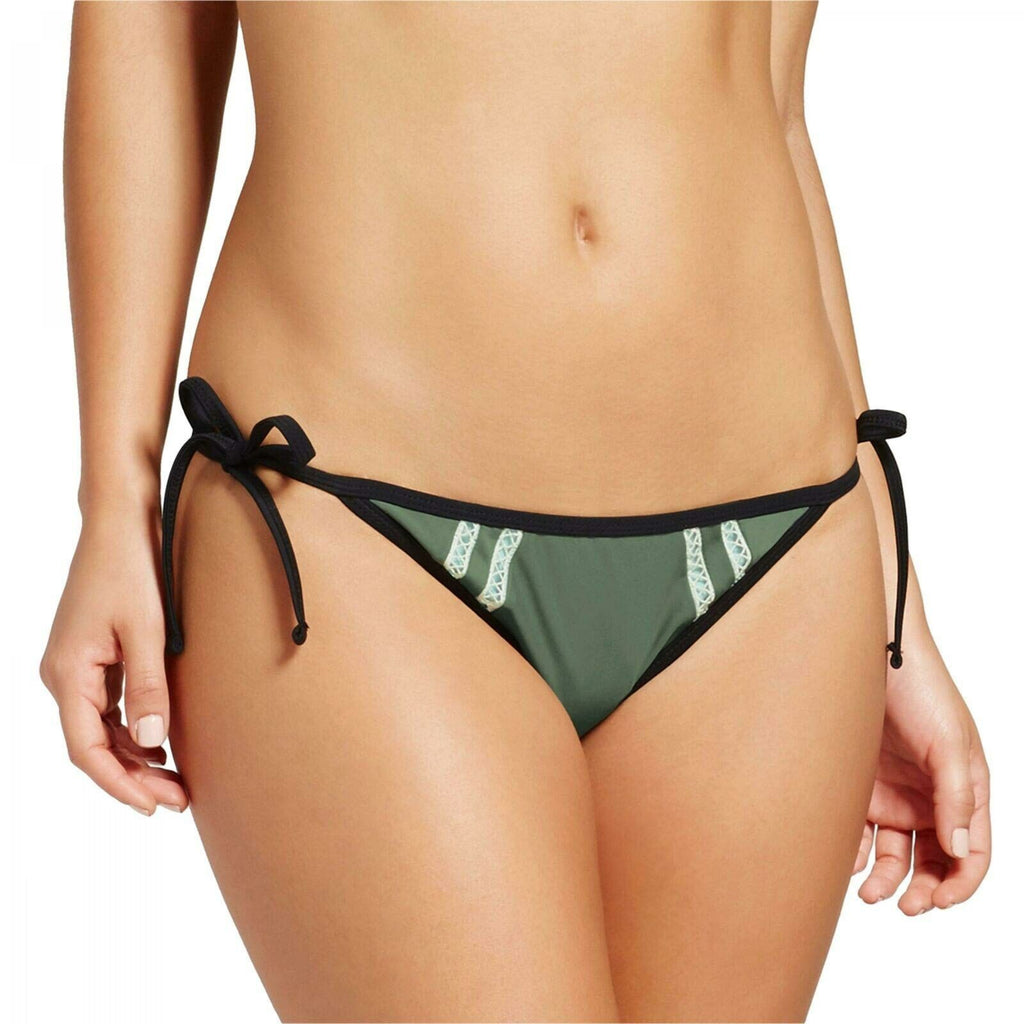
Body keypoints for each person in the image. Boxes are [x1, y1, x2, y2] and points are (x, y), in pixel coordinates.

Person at [40, 3, 991, 1021]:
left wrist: (892, 597)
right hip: (352, 520)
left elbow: (771, 96)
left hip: (777, 547)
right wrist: (115, 495)